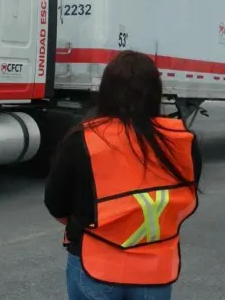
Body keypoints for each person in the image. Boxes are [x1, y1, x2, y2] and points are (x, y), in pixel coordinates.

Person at [44, 50, 202, 300]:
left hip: (94, 265)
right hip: (155, 271)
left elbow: (55, 202)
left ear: (105, 91)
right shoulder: (181, 140)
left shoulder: (82, 139)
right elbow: (185, 195)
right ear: (155, 92)